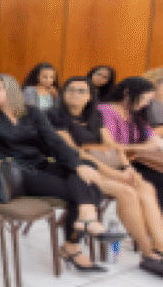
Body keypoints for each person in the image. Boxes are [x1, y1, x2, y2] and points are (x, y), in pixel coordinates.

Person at [0, 73, 106, 272]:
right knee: (83, 189)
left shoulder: (31, 112)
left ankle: (85, 219)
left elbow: (54, 141)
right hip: (15, 174)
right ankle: (75, 242)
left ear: (11, 90)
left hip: (38, 164)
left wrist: (77, 165)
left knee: (87, 168)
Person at [48, 77, 163, 275]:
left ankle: (160, 246)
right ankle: (147, 253)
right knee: (127, 191)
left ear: (90, 96)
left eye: (81, 91)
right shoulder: (55, 116)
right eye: (71, 89)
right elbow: (76, 153)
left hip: (105, 167)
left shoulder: (94, 116)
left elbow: (112, 146)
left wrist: (127, 168)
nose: (75, 93)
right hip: (78, 170)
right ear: (63, 92)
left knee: (146, 188)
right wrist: (114, 174)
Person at [98, 77, 163, 207]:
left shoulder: (136, 114)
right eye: (144, 99)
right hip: (116, 164)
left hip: (135, 160)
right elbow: (112, 146)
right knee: (158, 181)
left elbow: (153, 138)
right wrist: (143, 147)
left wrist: (136, 148)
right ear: (127, 93)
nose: (146, 103)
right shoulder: (105, 111)